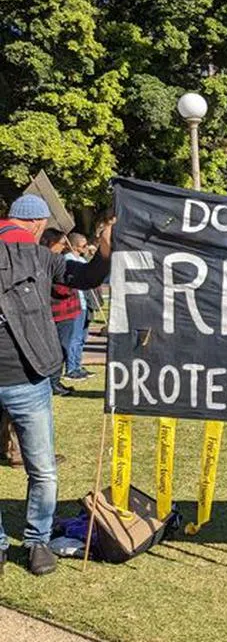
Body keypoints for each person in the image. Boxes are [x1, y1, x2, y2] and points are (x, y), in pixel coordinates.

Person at [0, 194, 113, 576]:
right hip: (28, 377)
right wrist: (105, 253)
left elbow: (82, 278)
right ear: (36, 224)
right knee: (42, 468)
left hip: (28, 375)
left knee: (43, 467)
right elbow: (87, 278)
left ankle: (18, 543)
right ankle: (36, 543)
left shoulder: (39, 255)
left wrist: (103, 254)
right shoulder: (38, 254)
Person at [39, 230, 81, 397]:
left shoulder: (53, 259)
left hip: (66, 312)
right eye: (62, 244)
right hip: (59, 313)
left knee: (61, 347)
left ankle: (55, 381)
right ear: (52, 243)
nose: (64, 247)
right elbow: (60, 289)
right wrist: (74, 282)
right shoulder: (49, 261)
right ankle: (53, 382)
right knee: (59, 348)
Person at [63, 232, 93, 380]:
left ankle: (78, 364)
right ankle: (71, 368)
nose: (86, 247)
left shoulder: (81, 259)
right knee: (74, 338)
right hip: (75, 303)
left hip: (86, 302)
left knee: (82, 337)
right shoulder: (68, 260)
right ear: (74, 246)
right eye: (84, 245)